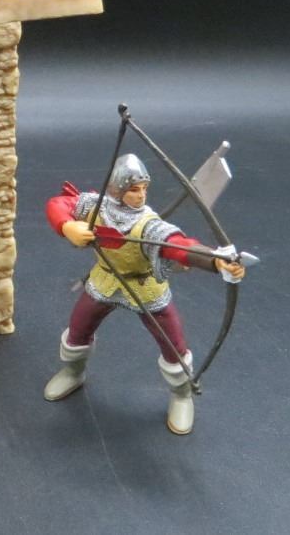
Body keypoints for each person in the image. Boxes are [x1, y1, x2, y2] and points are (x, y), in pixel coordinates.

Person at [44, 153, 246, 434]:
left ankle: (181, 394)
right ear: (117, 190)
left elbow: (179, 246)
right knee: (78, 329)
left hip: (145, 287)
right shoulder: (95, 205)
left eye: (144, 189)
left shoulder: (150, 225)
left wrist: (216, 261)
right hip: (105, 279)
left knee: (173, 344)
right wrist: (67, 226)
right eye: (134, 190)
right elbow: (58, 204)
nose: (141, 195)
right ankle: (73, 372)